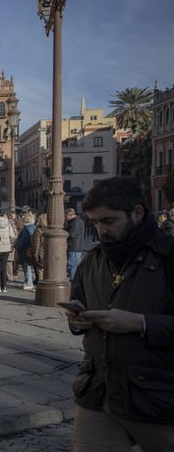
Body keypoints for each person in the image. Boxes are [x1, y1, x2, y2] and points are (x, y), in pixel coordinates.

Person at [65, 177, 174, 451]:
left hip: (160, 397)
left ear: (136, 213)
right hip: (98, 392)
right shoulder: (93, 260)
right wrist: (77, 321)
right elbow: (79, 302)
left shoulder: (169, 256)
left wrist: (140, 323)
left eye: (109, 221)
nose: (101, 230)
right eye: (95, 223)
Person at [0, 208, 16, 293]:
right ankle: (4, 286)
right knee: (3, 267)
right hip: (6, 248)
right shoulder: (8, 223)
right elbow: (12, 236)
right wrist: (11, 244)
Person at [14, 212, 36, 291]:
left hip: (25, 250)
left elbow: (24, 241)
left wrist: (18, 247)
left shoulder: (27, 229)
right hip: (29, 249)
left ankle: (28, 283)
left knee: (26, 267)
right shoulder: (33, 227)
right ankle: (28, 282)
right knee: (27, 267)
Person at [65, 207, 85, 280]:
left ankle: (72, 281)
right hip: (76, 246)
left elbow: (72, 234)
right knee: (74, 265)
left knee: (72, 265)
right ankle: (74, 281)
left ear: (70, 215)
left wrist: (65, 233)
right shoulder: (78, 221)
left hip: (74, 246)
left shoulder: (75, 222)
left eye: (66, 216)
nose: (65, 218)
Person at [29, 213, 47, 283]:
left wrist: (35, 255)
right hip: (47, 253)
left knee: (40, 271)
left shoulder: (38, 230)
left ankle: (41, 286)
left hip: (40, 253)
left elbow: (36, 244)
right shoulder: (49, 229)